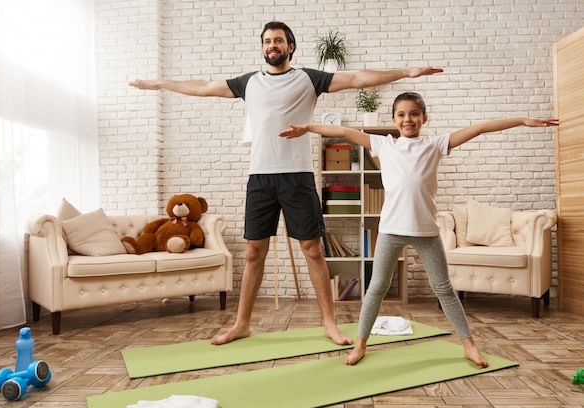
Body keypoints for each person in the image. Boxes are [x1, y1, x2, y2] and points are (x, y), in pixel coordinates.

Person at [129, 21, 443, 346]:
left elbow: (357, 78)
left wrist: (408, 71)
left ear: (290, 46)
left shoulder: (309, 78)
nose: (272, 45)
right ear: (263, 47)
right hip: (260, 179)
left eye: (278, 40)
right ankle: (242, 324)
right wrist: (160, 84)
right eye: (267, 41)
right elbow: (204, 86)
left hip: (298, 178)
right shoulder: (248, 83)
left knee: (313, 250)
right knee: (254, 252)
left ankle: (329, 325)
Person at [279, 91, 558, 367]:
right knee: (376, 288)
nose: (407, 119)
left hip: (426, 231)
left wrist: (522, 120)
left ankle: (469, 346)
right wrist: (307, 127)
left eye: (414, 114)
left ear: (424, 118)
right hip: (390, 230)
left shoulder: (435, 145)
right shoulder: (383, 145)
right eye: (401, 114)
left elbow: (481, 128)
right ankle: (361, 345)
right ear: (393, 119)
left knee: (445, 290)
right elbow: (342, 131)